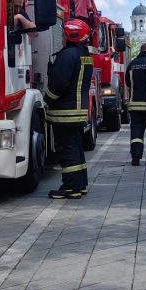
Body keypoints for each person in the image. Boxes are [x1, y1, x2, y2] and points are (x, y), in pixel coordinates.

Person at [44, 19, 95, 199]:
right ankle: (80, 185)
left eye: (65, 34)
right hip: (77, 110)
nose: (63, 37)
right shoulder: (84, 55)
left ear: (72, 35)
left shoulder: (67, 56)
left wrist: (47, 100)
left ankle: (71, 188)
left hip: (65, 111)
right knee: (76, 148)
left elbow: (59, 84)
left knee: (67, 151)